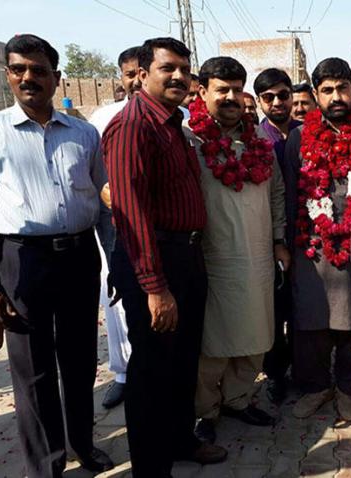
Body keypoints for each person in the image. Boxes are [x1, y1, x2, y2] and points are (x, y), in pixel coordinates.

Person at [102, 37, 227, 477]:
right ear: (142, 74)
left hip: (186, 255)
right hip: (154, 261)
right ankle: (151, 468)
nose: (177, 76)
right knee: (152, 372)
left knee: (182, 361)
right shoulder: (133, 124)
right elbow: (131, 212)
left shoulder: (172, 122)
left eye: (183, 70)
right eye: (167, 68)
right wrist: (155, 288)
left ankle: (179, 441)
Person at [0, 33, 113, 476]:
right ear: (8, 75)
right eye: (19, 69)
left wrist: (114, 260)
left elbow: (104, 201)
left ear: (56, 77)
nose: (29, 78)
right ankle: (45, 465)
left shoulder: (84, 134)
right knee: (32, 371)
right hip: (20, 261)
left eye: (39, 70)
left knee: (81, 361)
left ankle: (84, 442)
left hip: (80, 258)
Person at [187, 56, 288, 438]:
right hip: (212, 258)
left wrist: (279, 241)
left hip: (259, 254)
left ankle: (239, 400)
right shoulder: (190, 138)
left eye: (236, 89)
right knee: (213, 345)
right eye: (221, 90)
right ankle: (205, 411)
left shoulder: (259, 140)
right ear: (203, 91)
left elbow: (276, 193)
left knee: (256, 337)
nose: (230, 97)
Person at [284, 58, 351, 422]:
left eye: (342, 88)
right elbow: (289, 194)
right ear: (315, 94)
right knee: (311, 320)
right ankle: (316, 386)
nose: (336, 96)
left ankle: (349, 387)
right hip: (311, 246)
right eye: (327, 90)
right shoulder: (299, 136)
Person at [89, 45, 141, 410]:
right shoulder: (102, 117)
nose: (137, 80)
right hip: (115, 222)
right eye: (129, 74)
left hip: (167, 226)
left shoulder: (182, 115)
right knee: (118, 297)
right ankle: (123, 374)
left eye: (142, 71)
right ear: (120, 77)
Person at [254, 67, 301, 403]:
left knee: (304, 308)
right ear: (259, 102)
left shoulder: (308, 133)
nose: (277, 102)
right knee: (275, 310)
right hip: (270, 240)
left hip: (311, 237)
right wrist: (276, 241)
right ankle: (274, 374)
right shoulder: (256, 140)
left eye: (282, 95)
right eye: (268, 97)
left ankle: (304, 368)